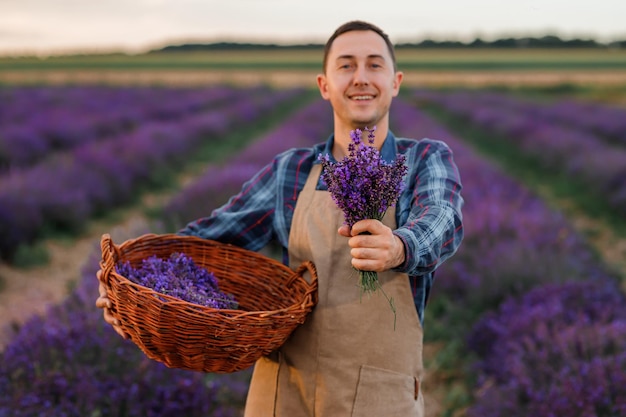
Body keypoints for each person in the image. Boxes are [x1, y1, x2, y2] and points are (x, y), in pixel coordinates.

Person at [97, 20, 464, 417]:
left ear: (396, 82)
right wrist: (135, 286)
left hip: (380, 397)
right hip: (283, 395)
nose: (361, 78)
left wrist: (399, 246)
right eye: (346, 65)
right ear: (324, 85)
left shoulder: (423, 160)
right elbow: (208, 244)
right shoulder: (293, 170)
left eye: (375, 65)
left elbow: (442, 219)